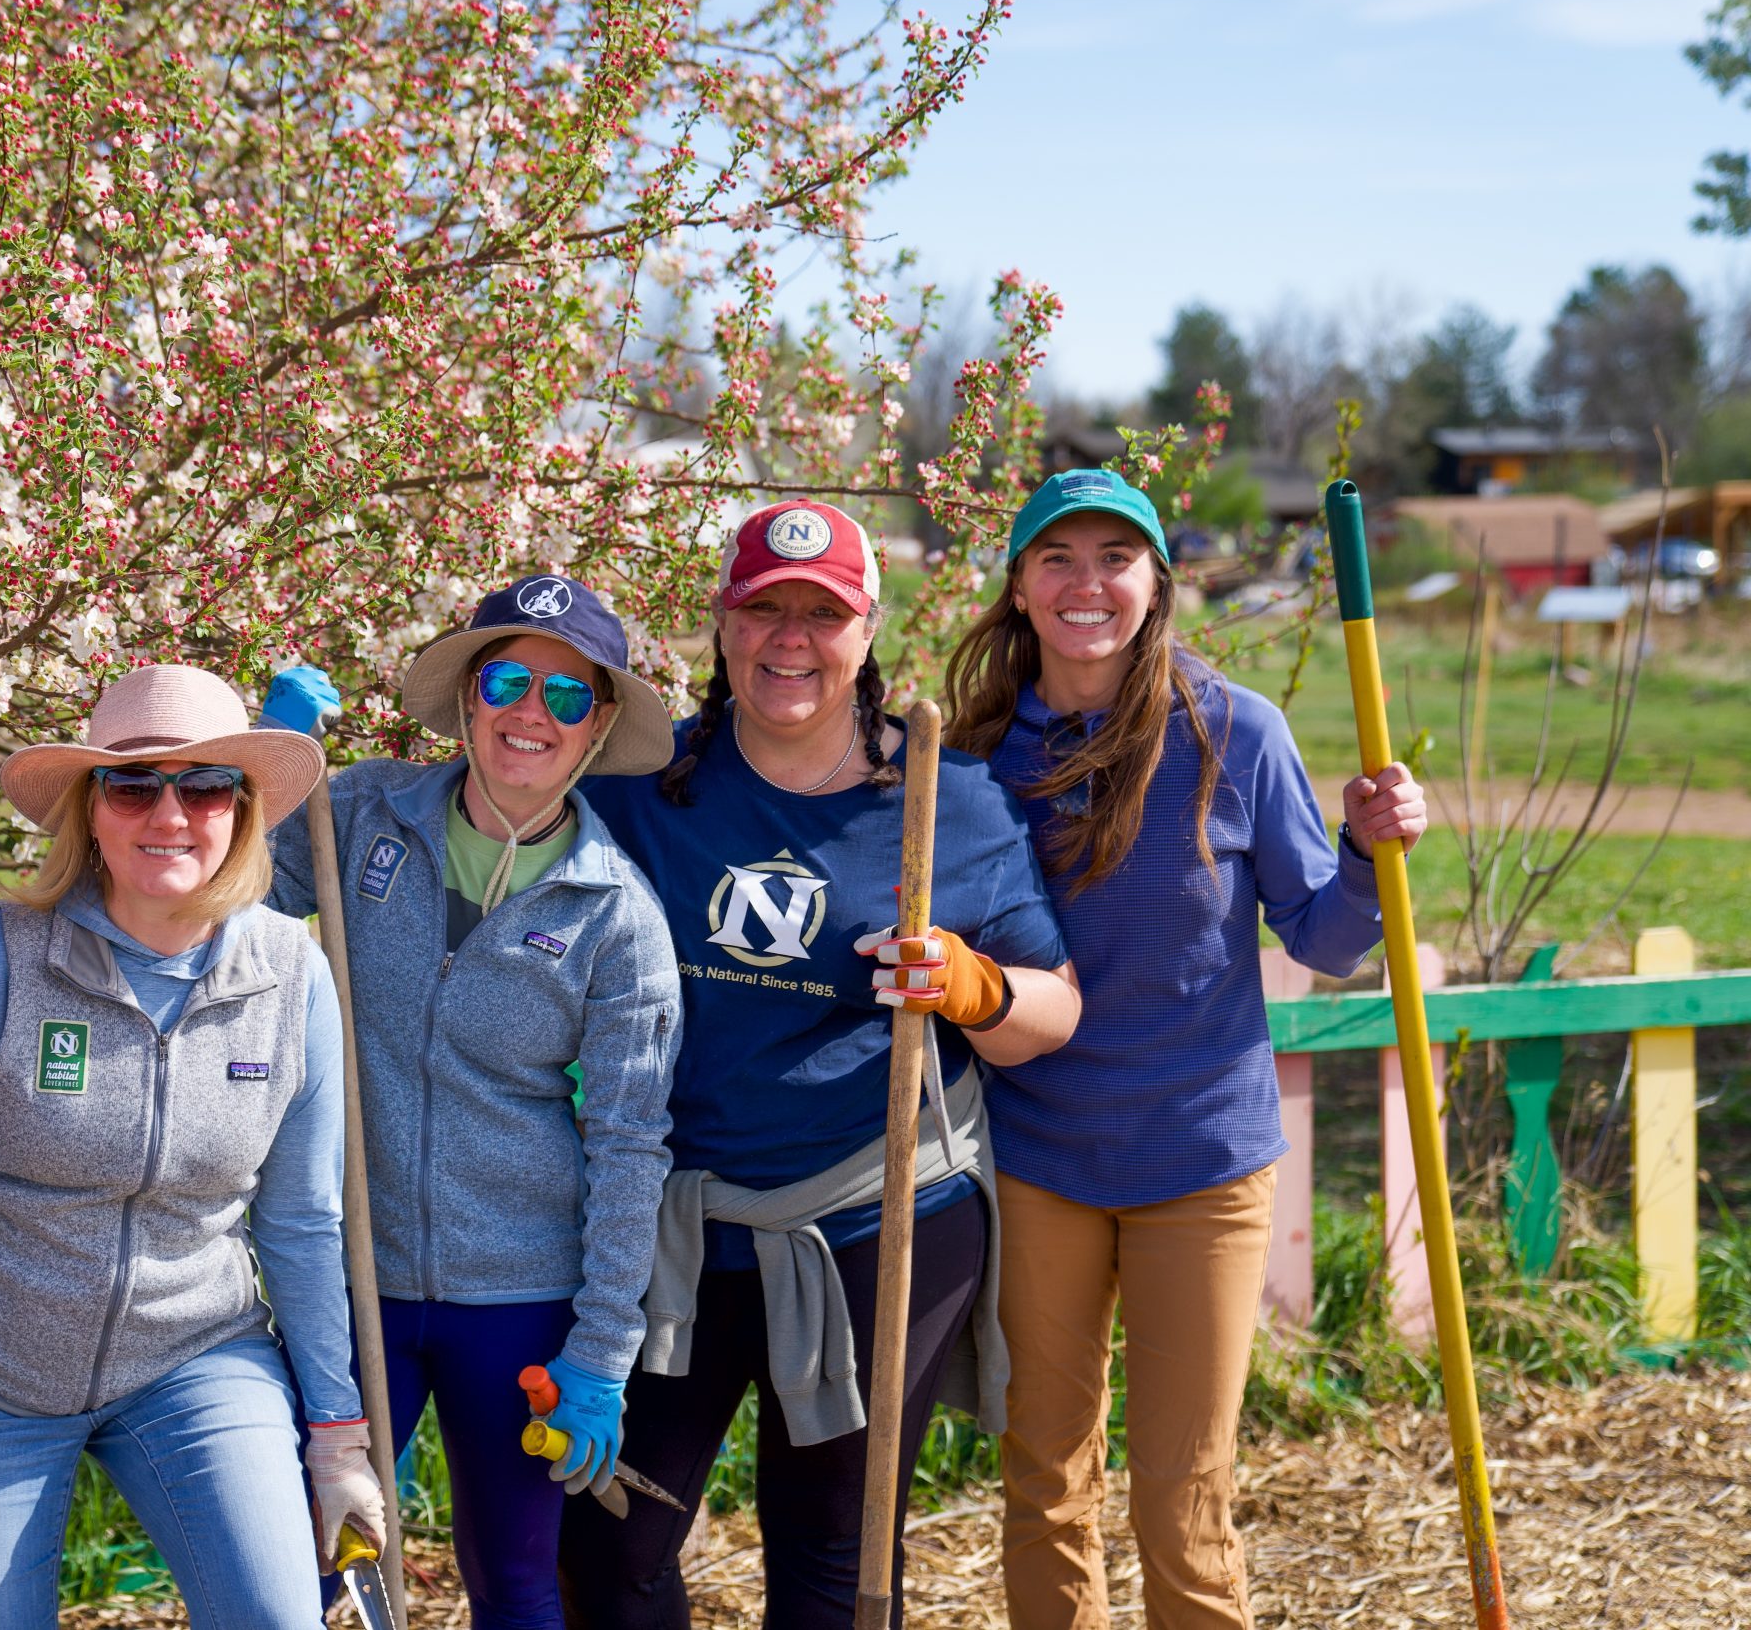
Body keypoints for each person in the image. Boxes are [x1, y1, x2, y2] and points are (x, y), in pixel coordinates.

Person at [565, 499, 1083, 1629]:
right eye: (764, 610)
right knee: (607, 1544)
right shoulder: (638, 784)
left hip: (876, 1215)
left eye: (823, 613)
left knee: (834, 1558)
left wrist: (971, 986)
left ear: (867, 629)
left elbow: (1053, 1012)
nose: (789, 639)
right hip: (671, 1223)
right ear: (721, 621)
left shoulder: (949, 798)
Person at [943, 468, 1426, 1629]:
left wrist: (1369, 856)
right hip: (1036, 1156)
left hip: (1200, 1163)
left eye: (1116, 557)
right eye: (1058, 558)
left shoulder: (1234, 732)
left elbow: (1325, 938)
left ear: (1156, 583)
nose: (1087, 583)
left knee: (1182, 1493)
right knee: (1044, 1477)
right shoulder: (975, 759)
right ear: (1018, 585)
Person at [0, 664, 380, 1630]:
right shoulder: (0, 960)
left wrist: (337, 1437)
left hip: (195, 1354)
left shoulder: (293, 975)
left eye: (205, 785)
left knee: (279, 1618)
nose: (169, 814)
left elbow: (303, 1222)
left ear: (242, 810)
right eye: (132, 785)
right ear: (90, 809)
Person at [263, 574, 683, 1630]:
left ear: (597, 728)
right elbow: (221, 898)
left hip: (519, 1295)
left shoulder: (616, 915)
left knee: (513, 1580)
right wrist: (260, 775)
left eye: (567, 695)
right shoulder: (360, 813)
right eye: (506, 680)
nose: (531, 711)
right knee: (305, 1567)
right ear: (466, 695)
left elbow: (630, 1145)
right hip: (351, 1274)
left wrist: (601, 1352)